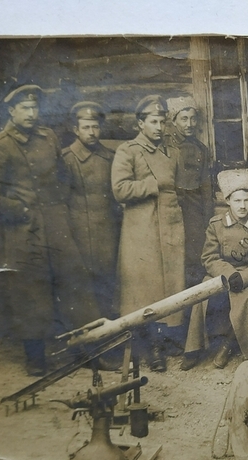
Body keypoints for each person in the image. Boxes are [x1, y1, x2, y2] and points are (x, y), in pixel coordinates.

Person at [0, 84, 99, 376]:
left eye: (34, 107)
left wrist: (59, 207)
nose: (31, 113)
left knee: (73, 286)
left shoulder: (48, 136)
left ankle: (87, 349)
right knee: (31, 293)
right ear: (11, 111)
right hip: (22, 230)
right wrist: (19, 209)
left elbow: (62, 175)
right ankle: (35, 358)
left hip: (56, 223)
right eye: (25, 108)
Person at [111, 95, 185, 372]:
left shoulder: (172, 150)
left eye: (162, 122)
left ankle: (160, 345)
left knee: (168, 288)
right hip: (140, 229)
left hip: (170, 225)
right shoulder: (128, 151)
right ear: (140, 123)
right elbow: (119, 189)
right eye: (153, 122)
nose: (159, 127)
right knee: (142, 290)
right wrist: (152, 184)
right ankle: (142, 348)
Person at [183, 170, 248, 369]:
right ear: (228, 201)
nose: (242, 206)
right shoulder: (216, 225)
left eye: (246, 200)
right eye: (237, 201)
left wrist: (244, 277)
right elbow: (209, 257)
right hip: (223, 273)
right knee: (202, 292)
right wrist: (228, 273)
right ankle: (193, 347)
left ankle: (230, 345)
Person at [63, 101, 120, 320]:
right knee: (82, 289)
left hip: (107, 234)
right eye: (86, 127)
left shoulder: (110, 157)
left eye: (95, 127)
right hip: (79, 235)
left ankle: (108, 337)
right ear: (76, 130)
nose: (91, 132)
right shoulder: (67, 159)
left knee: (107, 285)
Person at [166, 96, 213, 288]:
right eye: (184, 119)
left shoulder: (201, 149)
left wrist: (207, 214)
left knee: (194, 254)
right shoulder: (165, 146)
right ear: (174, 120)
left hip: (193, 207)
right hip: (173, 204)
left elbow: (205, 185)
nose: (189, 124)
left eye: (193, 119)